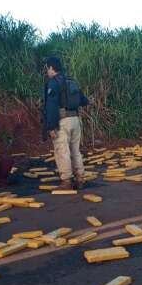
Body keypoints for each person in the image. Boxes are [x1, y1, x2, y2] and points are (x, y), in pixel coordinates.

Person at [42, 57, 89, 190]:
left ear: (51, 68)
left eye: (47, 68)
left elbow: (51, 106)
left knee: (62, 150)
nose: (47, 71)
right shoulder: (71, 81)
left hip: (63, 121)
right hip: (75, 119)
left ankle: (66, 181)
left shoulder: (53, 83)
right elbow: (84, 100)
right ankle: (80, 178)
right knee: (75, 150)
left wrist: (51, 127)